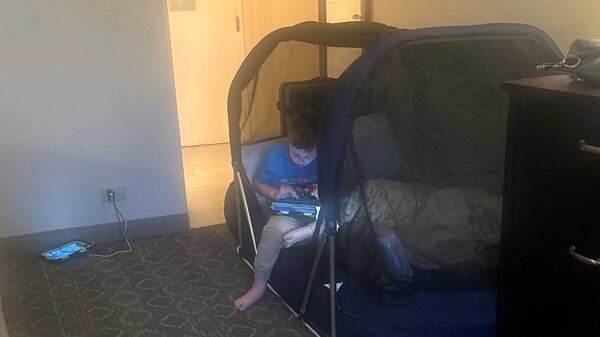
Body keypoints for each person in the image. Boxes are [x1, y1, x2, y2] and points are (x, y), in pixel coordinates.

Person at [234, 112, 319, 311]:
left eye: (309, 156)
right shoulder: (275, 155)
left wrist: (321, 188)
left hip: (317, 212)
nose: (301, 161)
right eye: (296, 154)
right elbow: (257, 182)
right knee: (272, 231)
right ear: (289, 142)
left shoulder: (325, 156)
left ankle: (308, 233)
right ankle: (259, 285)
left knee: (341, 215)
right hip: (287, 214)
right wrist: (274, 192)